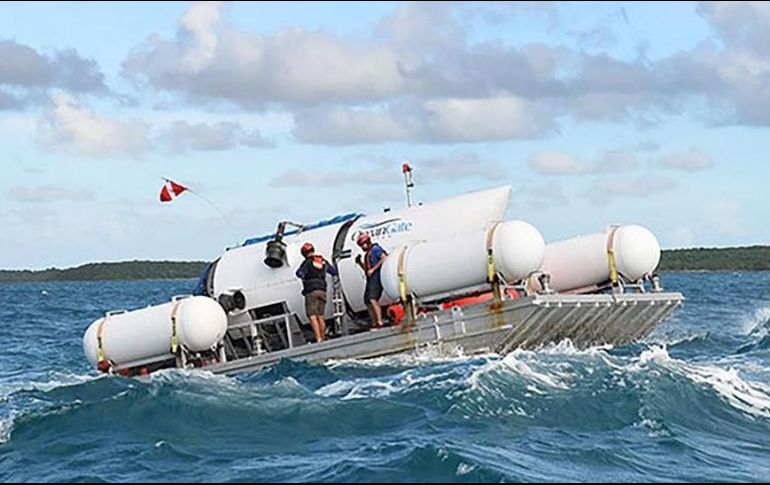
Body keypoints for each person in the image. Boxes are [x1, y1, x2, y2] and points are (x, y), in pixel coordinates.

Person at [295, 242, 337, 343]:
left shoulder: (307, 262)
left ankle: (318, 338)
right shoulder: (322, 261)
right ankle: (323, 337)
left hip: (311, 291)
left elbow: (300, 273)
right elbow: (333, 271)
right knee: (321, 315)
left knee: (312, 316)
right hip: (322, 290)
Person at [355, 233, 387, 328]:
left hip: (376, 277)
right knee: (368, 301)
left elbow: (384, 258)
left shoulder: (375, 249)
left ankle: (379, 321)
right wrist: (360, 263)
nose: (362, 247)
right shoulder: (367, 254)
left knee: (373, 299)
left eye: (362, 245)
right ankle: (374, 322)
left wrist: (373, 269)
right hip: (370, 279)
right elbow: (367, 269)